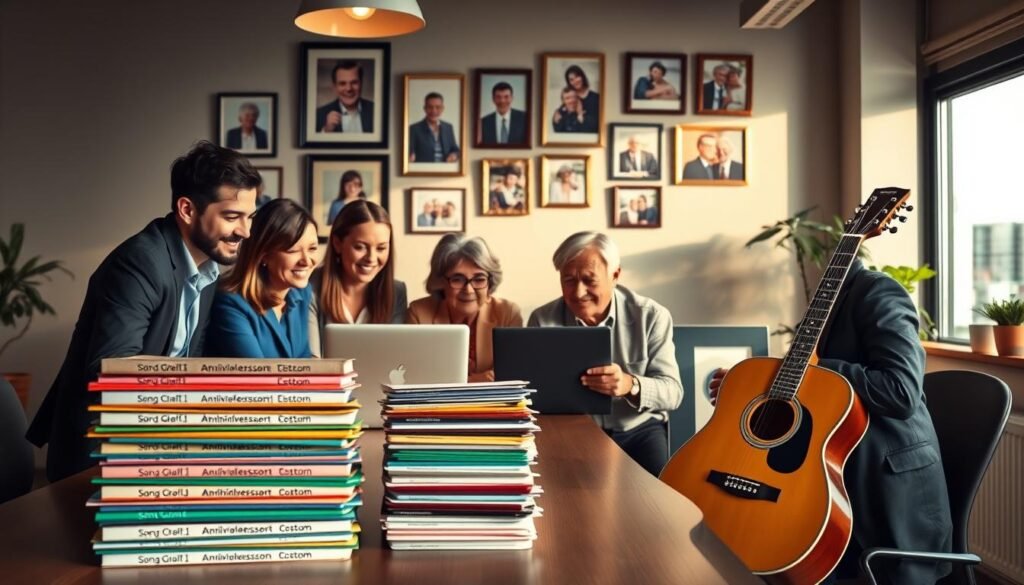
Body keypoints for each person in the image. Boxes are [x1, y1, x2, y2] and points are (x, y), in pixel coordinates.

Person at [25, 141, 261, 481]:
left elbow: (189, 360)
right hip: (100, 458)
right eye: (232, 216)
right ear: (187, 210)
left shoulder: (208, 269)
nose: (246, 231)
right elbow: (110, 369)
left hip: (159, 447)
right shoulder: (139, 263)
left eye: (249, 217)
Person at [708, 260, 953, 584]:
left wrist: (820, 367)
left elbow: (900, 391)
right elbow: (816, 395)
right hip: (831, 470)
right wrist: (750, 386)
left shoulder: (878, 292)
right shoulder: (823, 307)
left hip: (884, 489)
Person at [528, 232, 683, 476]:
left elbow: (673, 393)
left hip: (639, 430)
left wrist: (629, 385)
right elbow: (533, 394)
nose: (578, 292)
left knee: (662, 497)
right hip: (571, 431)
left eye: (589, 280)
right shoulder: (542, 319)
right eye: (568, 280)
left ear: (615, 275)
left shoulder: (651, 316)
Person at [205, 200, 319, 358]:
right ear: (264, 254)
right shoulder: (230, 303)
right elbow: (257, 376)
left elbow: (305, 360)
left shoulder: (301, 293)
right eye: (292, 250)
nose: (306, 261)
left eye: (312, 248)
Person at [408, 234, 522, 382]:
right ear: (441, 282)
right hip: (437, 403)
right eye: (457, 279)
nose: (468, 290)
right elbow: (415, 375)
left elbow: (512, 376)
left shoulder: (508, 313)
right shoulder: (419, 313)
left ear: (490, 282)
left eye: (479, 279)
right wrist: (473, 381)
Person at [308, 200, 407, 357]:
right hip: (326, 381)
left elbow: (394, 357)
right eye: (360, 247)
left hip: (378, 380)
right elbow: (312, 360)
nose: (371, 258)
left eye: (381, 248)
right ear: (337, 243)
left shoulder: (397, 292)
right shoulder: (311, 287)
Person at [316, 60, 374, 133]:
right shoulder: (319, 115)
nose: (349, 88)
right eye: (342, 83)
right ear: (334, 87)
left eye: (354, 82)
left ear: (361, 84)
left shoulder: (376, 111)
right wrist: (326, 131)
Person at [408, 92, 460, 163]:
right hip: (423, 171)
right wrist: (410, 155)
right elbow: (409, 151)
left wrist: (454, 155)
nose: (434, 111)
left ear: (442, 109)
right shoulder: (414, 129)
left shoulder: (448, 127)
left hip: (445, 170)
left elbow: (455, 149)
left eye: (438, 107)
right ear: (424, 108)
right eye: (430, 107)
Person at [479, 81, 527, 146]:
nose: (502, 101)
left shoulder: (525, 119)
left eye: (506, 97)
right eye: (498, 97)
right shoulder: (483, 122)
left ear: (512, 98)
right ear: (493, 99)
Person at [564, 65, 599, 131]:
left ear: (582, 77)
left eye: (577, 77)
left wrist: (583, 119)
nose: (575, 81)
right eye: (571, 80)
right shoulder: (569, 99)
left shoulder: (596, 98)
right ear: (569, 83)